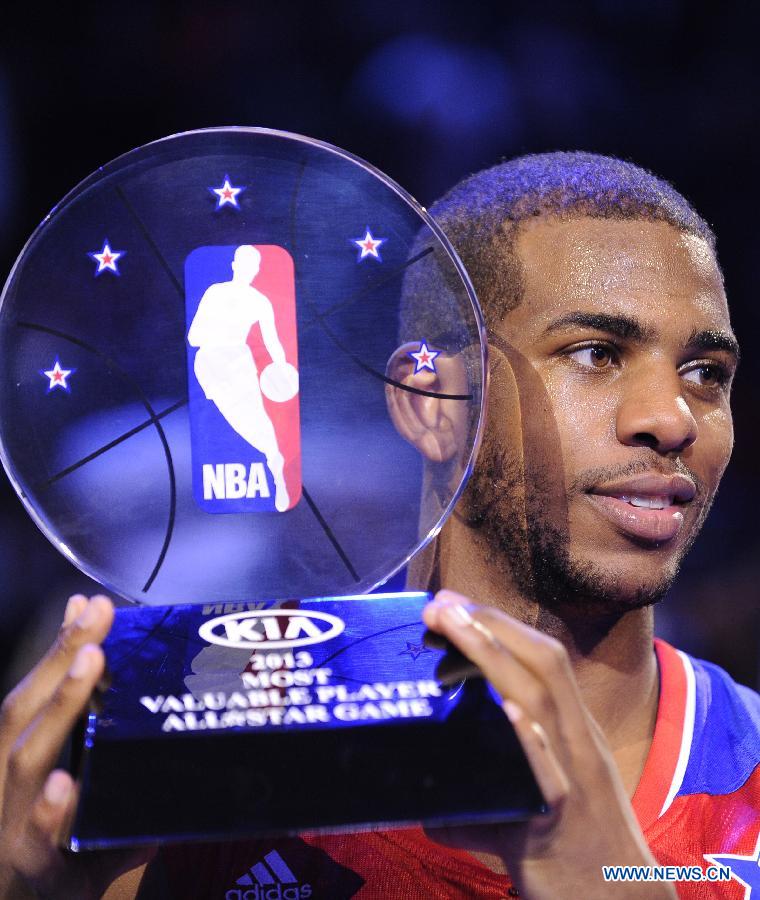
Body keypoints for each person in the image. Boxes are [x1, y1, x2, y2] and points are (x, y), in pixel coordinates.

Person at [1, 152, 757, 899]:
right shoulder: (207, 778)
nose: (671, 418)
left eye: (706, 374)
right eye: (596, 353)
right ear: (431, 403)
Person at [188, 243, 291, 512]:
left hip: (240, 364)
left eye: (252, 265)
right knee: (223, 419)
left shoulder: (260, 302)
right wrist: (220, 334)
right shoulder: (215, 293)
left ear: (256, 270)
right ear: (234, 265)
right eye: (242, 263)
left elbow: (273, 341)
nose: (247, 270)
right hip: (211, 364)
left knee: (256, 418)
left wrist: (282, 368)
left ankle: (275, 466)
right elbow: (194, 336)